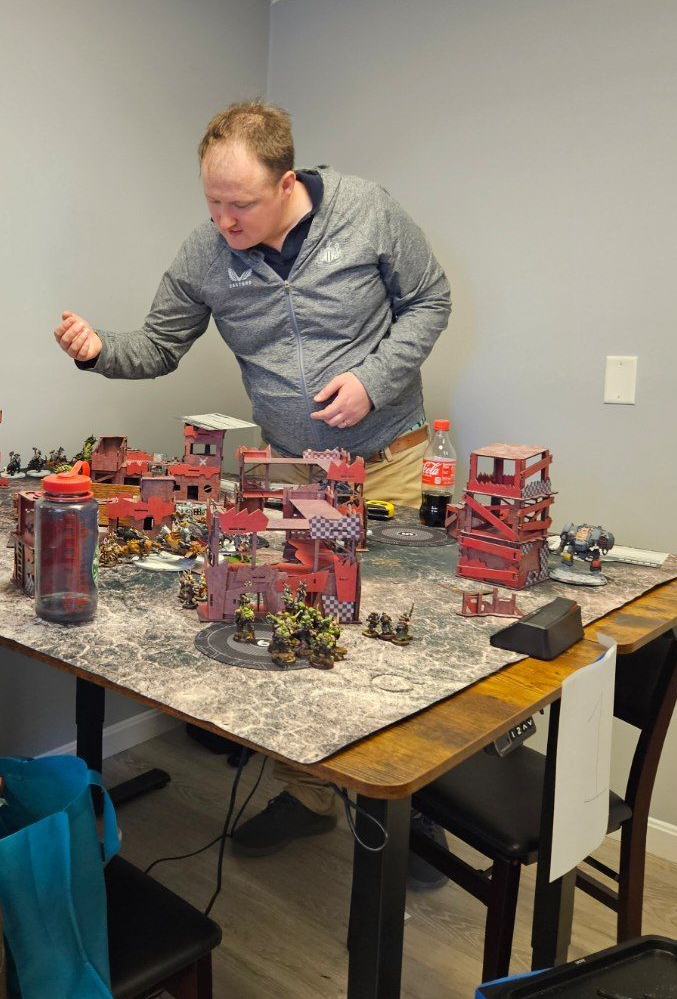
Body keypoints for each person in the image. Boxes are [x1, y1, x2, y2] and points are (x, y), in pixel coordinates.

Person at [54, 101, 451, 883]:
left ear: (287, 181)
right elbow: (159, 344)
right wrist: (98, 351)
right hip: (294, 472)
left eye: (238, 203)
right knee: (297, 621)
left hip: (391, 459)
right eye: (211, 201)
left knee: (402, 640)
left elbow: (430, 300)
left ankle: (419, 815)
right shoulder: (207, 252)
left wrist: (372, 382)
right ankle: (307, 796)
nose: (222, 219)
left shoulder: (367, 211)